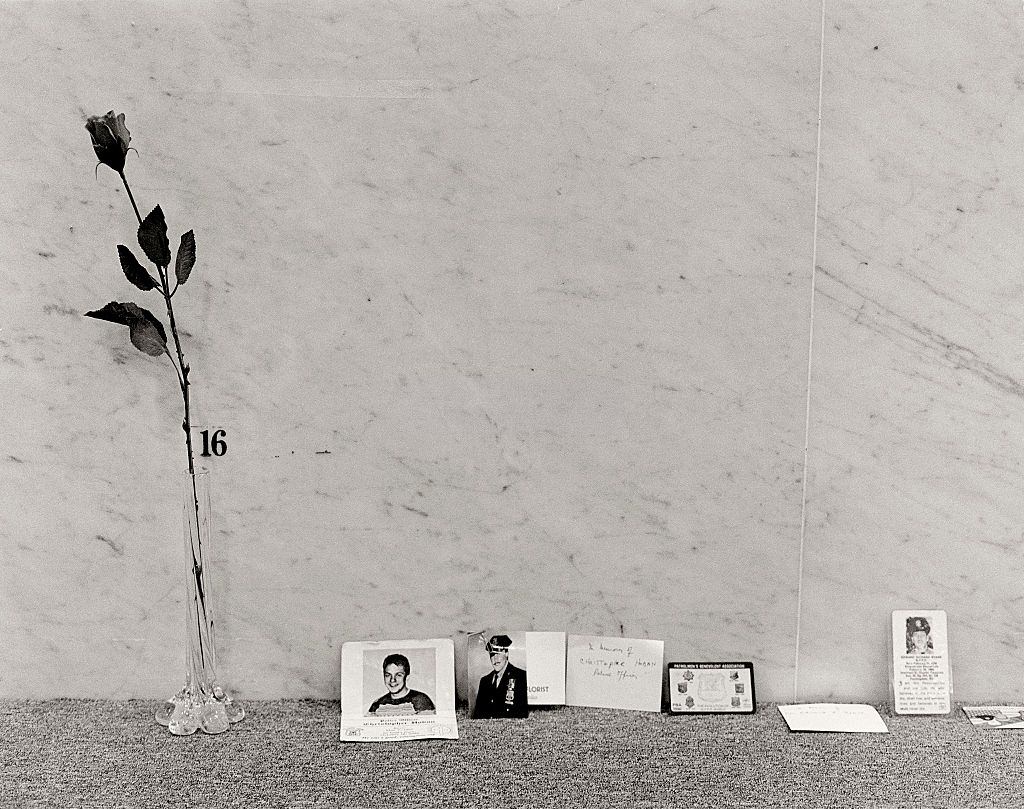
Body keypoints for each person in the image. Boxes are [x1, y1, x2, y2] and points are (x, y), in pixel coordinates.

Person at [471, 634, 528, 719]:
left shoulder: (521, 677)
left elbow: (522, 714)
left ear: (506, 653)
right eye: (492, 655)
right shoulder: (484, 681)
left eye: (498, 653)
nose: (495, 659)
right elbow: (477, 715)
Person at [368, 653, 436, 715]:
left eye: (398, 675)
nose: (392, 680)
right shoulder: (377, 705)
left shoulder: (421, 700)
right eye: (388, 675)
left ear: (407, 677)